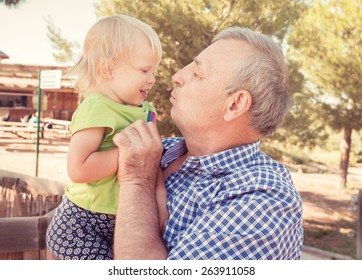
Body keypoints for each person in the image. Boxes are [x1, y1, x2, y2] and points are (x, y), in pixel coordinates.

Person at [112, 26, 304, 260]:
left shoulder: (264, 202)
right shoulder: (158, 149)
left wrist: (137, 181)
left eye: (197, 74)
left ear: (234, 104)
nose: (178, 76)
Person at [45, 14, 167, 260]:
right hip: (82, 223)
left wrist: (161, 207)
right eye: (144, 70)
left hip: (125, 220)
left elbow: (152, 164)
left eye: (154, 70)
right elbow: (79, 169)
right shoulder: (96, 107)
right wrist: (129, 153)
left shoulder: (148, 112)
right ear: (108, 69)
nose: (152, 79)